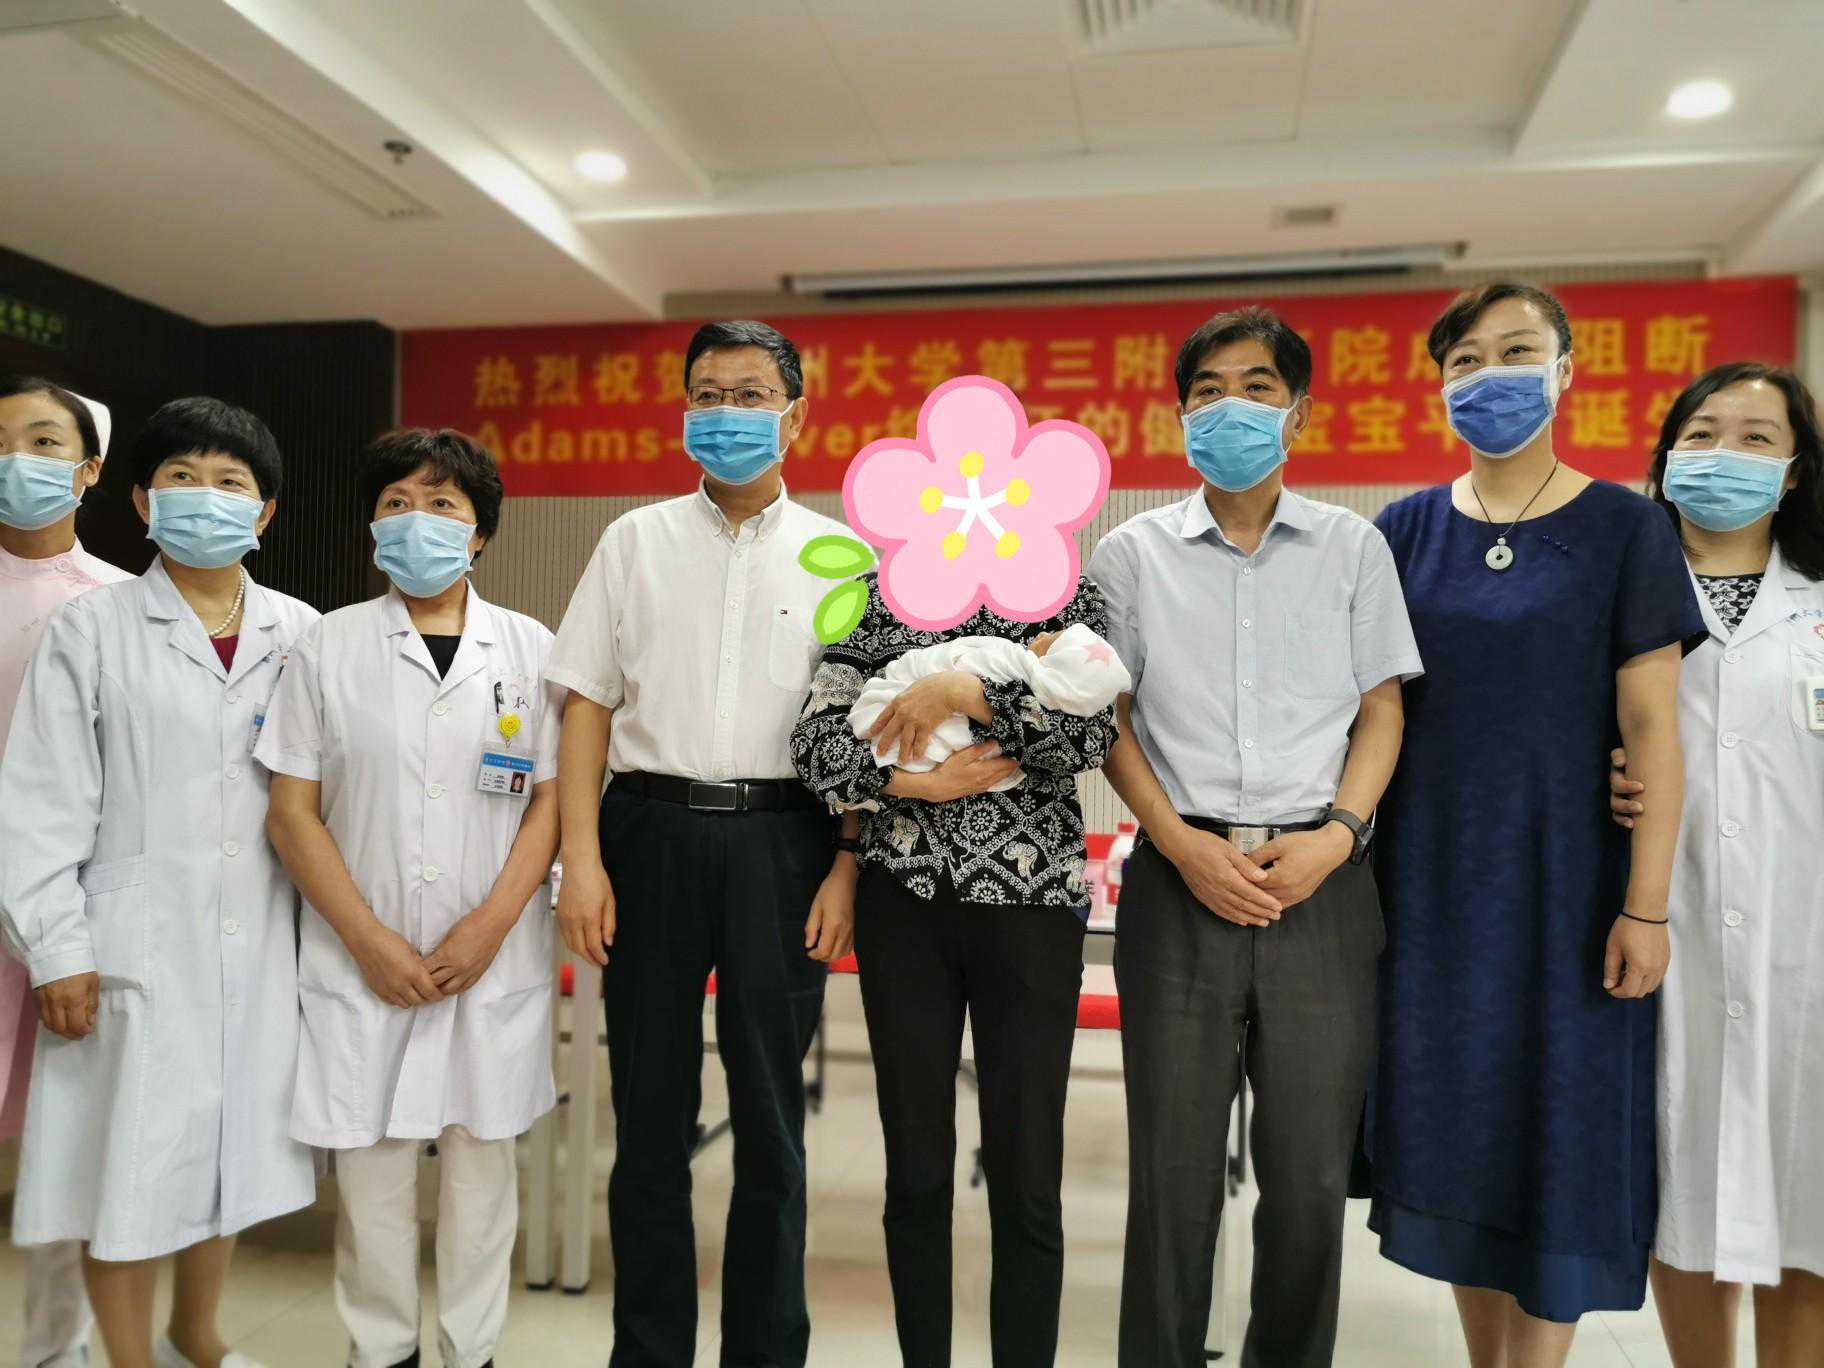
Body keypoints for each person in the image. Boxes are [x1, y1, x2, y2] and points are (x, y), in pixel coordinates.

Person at [1368, 283, 1704, 1367]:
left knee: (1561, 1134)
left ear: (1565, 371)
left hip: (1573, 888)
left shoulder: (1627, 528)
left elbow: (1651, 726)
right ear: (1440, 388)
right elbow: (1369, 712)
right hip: (1432, 887)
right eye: (1465, 360)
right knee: (1462, 1139)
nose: (1490, 376)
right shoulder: (1401, 532)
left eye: (1517, 352)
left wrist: (1645, 907)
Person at [1089, 307, 1420, 1367]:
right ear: (1181, 416)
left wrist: (1342, 835)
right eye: (1207, 391)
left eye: (1257, 387)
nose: (1230, 407)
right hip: (1179, 881)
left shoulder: (1353, 548)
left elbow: (1382, 709)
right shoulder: (1130, 554)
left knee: (1310, 1177)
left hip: (1322, 886)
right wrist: (1179, 844)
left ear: (1299, 413)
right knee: (1172, 1172)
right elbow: (1107, 719)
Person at [548, 320, 858, 1368]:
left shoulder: (843, 555)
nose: (727, 414)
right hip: (648, 834)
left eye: (750, 394)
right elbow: (586, 704)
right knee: (648, 1119)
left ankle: (765, 1352)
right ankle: (648, 1351)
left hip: (786, 842)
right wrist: (583, 861)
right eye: (708, 395)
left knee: (772, 1124)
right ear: (685, 411)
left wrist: (847, 864)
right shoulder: (633, 541)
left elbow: (865, 730)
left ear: (795, 415)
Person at [0, 397, 318, 1368]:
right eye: (181, 478)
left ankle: (197, 1335)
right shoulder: (90, 629)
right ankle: (131, 1358)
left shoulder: (302, 632)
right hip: (125, 942)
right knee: (125, 1169)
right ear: (140, 500)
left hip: (257, 938)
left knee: (223, 1155)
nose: (204, 498)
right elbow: (41, 802)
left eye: (230, 482)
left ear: (265, 512)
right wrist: (55, 948)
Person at [258, 429, 560, 1368]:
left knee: (482, 1165)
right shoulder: (326, 644)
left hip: (492, 956)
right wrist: (368, 941)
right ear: (371, 525)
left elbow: (552, 803)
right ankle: (380, 1350)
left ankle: (473, 1351)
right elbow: (292, 813)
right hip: (362, 957)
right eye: (396, 503)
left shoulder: (531, 648)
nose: (415, 520)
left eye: (442, 504)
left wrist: (491, 925)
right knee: (372, 1171)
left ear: (480, 532)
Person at [792, 560, 1117, 1361]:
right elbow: (815, 746)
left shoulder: (1062, 587)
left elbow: (1090, 735)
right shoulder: (874, 594)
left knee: (1028, 1172)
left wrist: (963, 693)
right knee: (915, 1169)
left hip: (1033, 908)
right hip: (903, 907)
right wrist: (917, 786)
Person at [1604, 364, 1824, 1367]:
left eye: (1755, 437)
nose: (1723, 455)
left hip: (1805, 938)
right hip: (1668, 924)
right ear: (1665, 459)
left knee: (1807, 1184)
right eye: (1701, 434)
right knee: (1683, 1177)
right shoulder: (1618, 585)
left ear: (1795, 471)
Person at [0, 376, 132, 1368]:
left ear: (89, 471)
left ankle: (58, 1348)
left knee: (62, 1147)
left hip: (69, 910)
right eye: (2, 439)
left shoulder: (123, 606)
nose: (17, 459)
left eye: (43, 441)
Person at [847, 623, 1131, 791]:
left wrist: (959, 692)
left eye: (1051, 639)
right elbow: (824, 746)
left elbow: (1092, 746)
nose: (1043, 634)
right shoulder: (876, 594)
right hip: (894, 855)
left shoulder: (1071, 601)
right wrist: (927, 786)